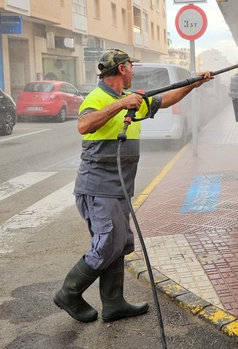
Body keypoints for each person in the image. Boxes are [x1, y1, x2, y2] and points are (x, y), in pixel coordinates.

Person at [54, 48, 212, 323]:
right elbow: (84, 125)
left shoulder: (130, 98)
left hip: (118, 188)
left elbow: (165, 100)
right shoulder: (98, 98)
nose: (134, 71)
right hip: (98, 188)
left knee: (118, 243)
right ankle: (68, 293)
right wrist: (119, 106)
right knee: (107, 244)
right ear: (121, 70)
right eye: (130, 66)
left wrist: (194, 83)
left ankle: (114, 304)